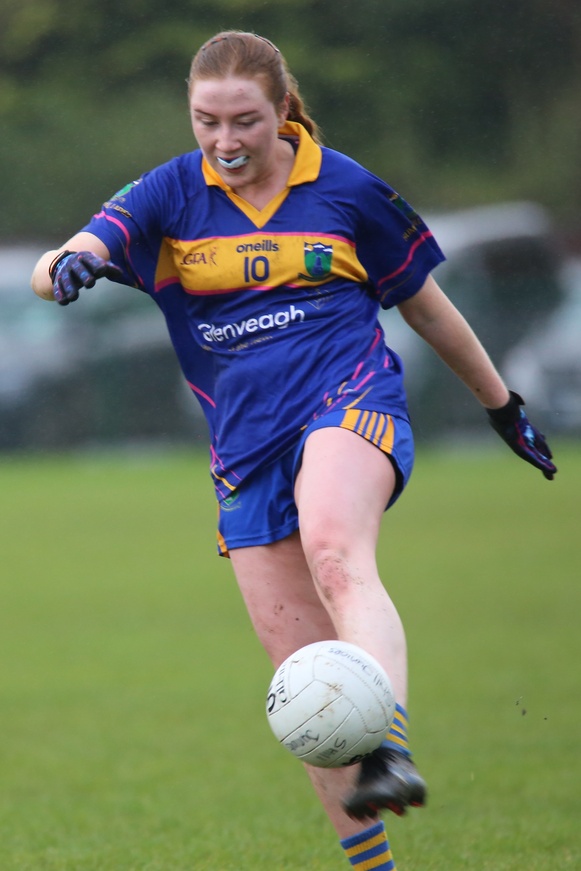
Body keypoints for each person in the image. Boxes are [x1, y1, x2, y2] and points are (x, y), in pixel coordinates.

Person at [31, 30, 557, 871]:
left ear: (282, 109)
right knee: (308, 688)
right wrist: (68, 266)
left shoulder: (346, 189)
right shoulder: (170, 191)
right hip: (243, 453)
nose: (224, 140)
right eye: (206, 120)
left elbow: (426, 307)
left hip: (348, 401)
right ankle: (373, 864)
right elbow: (76, 247)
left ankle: (390, 743)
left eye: (243, 120)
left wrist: (501, 406)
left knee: (334, 551)